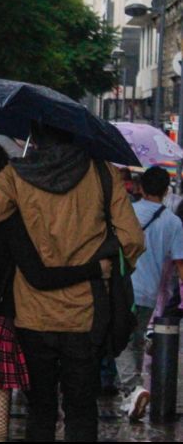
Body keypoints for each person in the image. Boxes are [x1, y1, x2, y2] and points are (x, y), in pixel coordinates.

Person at [0, 121, 145, 442]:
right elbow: (132, 240)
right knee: (82, 408)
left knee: (40, 409)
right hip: (85, 313)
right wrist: (101, 263)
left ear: (36, 139)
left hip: (32, 314)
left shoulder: (15, 176)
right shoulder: (102, 173)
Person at [116, 167, 183, 421]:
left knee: (119, 341)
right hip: (149, 294)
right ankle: (129, 397)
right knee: (133, 341)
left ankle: (133, 388)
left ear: (140, 187)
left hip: (123, 287)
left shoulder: (127, 212)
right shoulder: (173, 222)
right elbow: (180, 263)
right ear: (166, 191)